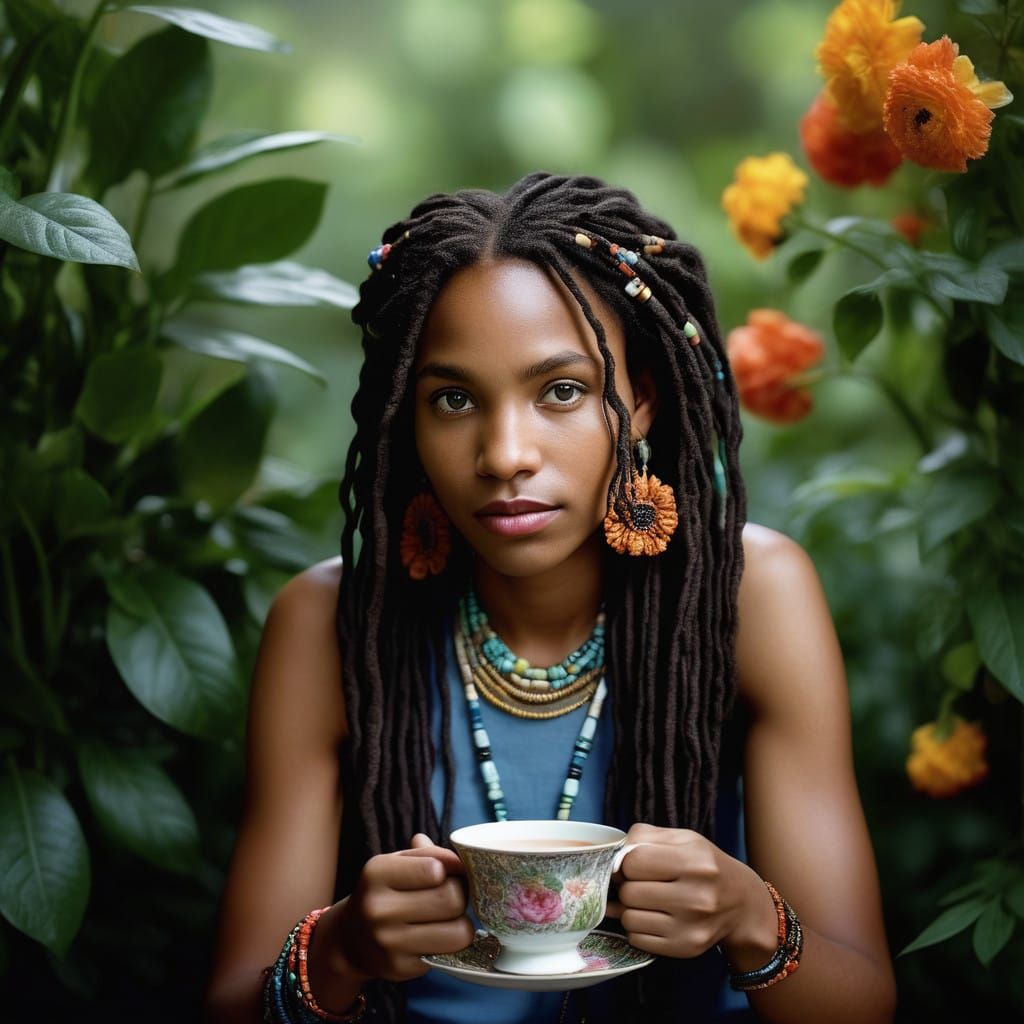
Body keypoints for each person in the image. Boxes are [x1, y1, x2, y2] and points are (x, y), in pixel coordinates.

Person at [203, 172, 897, 1024]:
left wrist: (753, 918)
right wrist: (340, 949)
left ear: (639, 399)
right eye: (453, 399)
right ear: (403, 421)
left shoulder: (754, 599)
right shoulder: (325, 625)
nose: (505, 453)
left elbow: (865, 1004)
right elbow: (232, 1004)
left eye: (560, 391)